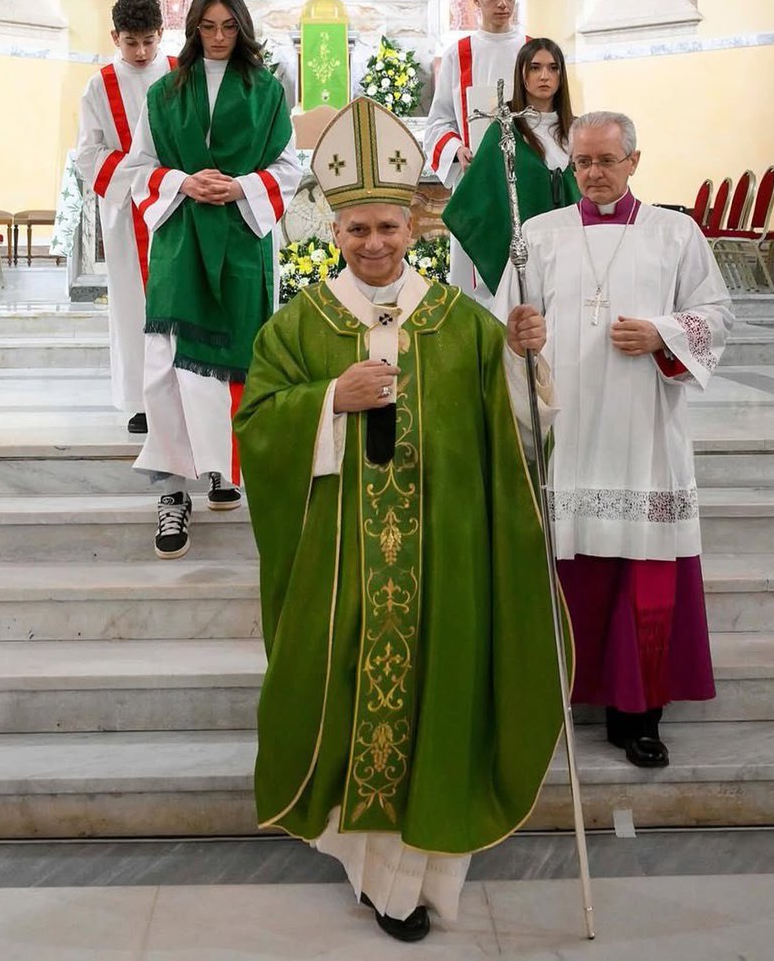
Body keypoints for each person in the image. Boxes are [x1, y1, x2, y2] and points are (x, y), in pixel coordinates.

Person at [234, 96, 567, 944]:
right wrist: (324, 404)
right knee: (349, 698)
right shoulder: (297, 326)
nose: (374, 244)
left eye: (388, 226)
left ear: (415, 225)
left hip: (447, 558)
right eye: (357, 231)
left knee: (439, 695)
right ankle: (369, 872)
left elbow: (523, 432)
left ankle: (419, 879)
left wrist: (528, 358)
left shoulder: (465, 326)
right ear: (333, 232)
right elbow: (258, 432)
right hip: (342, 572)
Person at [493, 110, 734, 768]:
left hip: (644, 433)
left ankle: (640, 715)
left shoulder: (673, 233)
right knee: (570, 574)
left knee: (642, 576)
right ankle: (557, 706)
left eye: (606, 160)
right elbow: (508, 326)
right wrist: (519, 338)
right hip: (566, 431)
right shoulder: (537, 237)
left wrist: (664, 333)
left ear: (634, 160)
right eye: (582, 162)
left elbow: (715, 315)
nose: (594, 173)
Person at [122, 0, 301, 559]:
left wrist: (242, 186)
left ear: (242, 29)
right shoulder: (166, 91)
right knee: (169, 366)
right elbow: (141, 167)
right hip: (178, 239)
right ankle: (172, 493)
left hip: (241, 241)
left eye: (229, 27)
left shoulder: (267, 90)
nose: (219, 37)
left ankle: (223, 469)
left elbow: (288, 167)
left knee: (232, 365)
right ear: (194, 28)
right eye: (208, 27)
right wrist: (184, 181)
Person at [73, 0, 175, 433]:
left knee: (180, 302)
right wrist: (142, 175)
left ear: (161, 34)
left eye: (148, 42)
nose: (140, 53)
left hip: (177, 204)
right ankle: (140, 400)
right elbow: (88, 154)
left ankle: (184, 390)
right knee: (132, 305)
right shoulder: (100, 85)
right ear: (115, 36)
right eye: (130, 42)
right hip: (128, 212)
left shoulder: (180, 75)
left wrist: (169, 179)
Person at [441, 36, 581, 295]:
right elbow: (474, 202)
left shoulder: (577, 129)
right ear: (522, 75)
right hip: (525, 256)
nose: (544, 76)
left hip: (573, 251)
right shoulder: (506, 129)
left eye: (553, 68)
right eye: (535, 67)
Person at [423, 0, 526, 303]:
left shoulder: (531, 51)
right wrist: (456, 150)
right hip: (476, 180)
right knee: (475, 283)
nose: (503, 4)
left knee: (525, 277)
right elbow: (438, 122)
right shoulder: (459, 54)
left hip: (523, 179)